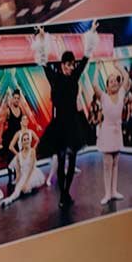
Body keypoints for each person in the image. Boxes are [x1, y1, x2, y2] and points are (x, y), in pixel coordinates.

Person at [87, 57, 131, 207]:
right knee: (107, 164)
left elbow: (126, 77)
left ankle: (114, 191)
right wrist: (97, 69)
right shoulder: (104, 97)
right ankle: (107, 194)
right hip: (107, 132)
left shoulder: (122, 94)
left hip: (117, 132)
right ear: (106, 86)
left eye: (115, 80)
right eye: (110, 81)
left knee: (115, 163)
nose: (114, 82)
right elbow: (94, 84)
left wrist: (117, 66)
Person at [44, 48, 84, 208]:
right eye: (68, 65)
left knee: (72, 161)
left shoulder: (74, 77)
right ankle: (63, 195)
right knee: (61, 161)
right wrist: (41, 45)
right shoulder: (55, 78)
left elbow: (85, 61)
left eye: (73, 65)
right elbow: (45, 65)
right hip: (60, 125)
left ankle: (66, 192)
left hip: (73, 124)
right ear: (62, 65)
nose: (71, 68)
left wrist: (90, 43)